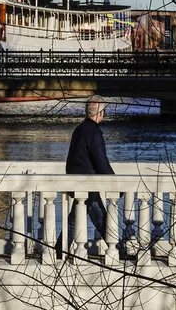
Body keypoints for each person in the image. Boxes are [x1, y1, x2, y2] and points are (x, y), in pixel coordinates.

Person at [61, 95, 114, 252]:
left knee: (74, 221)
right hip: (89, 185)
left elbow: (71, 159)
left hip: (77, 182)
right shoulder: (95, 133)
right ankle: (119, 252)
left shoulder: (78, 130)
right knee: (103, 221)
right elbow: (101, 161)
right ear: (100, 114)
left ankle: (58, 251)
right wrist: (114, 182)